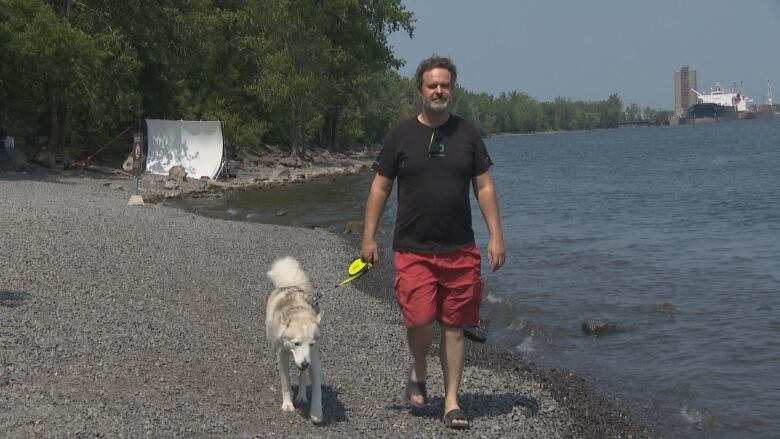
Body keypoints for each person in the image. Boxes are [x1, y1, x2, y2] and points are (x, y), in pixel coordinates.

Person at [360, 55, 505, 429]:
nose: (439, 90)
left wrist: (496, 235)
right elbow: (380, 186)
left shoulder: (468, 134)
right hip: (413, 249)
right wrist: (368, 236)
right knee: (420, 320)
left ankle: (452, 401)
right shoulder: (401, 136)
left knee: (455, 326)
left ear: (452, 89)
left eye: (445, 85)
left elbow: (484, 186)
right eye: (432, 85)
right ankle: (419, 369)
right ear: (420, 90)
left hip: (460, 249)